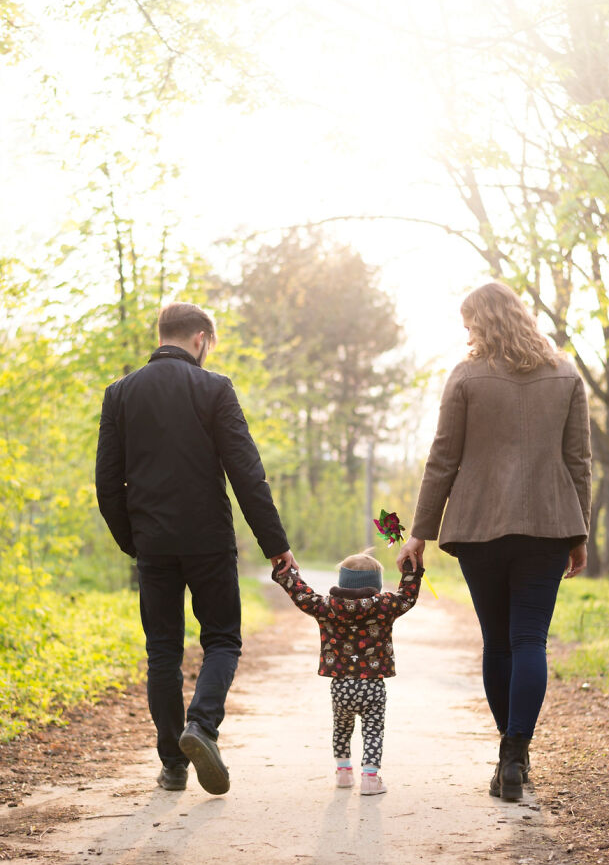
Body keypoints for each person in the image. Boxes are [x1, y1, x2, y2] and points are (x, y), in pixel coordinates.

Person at [397, 281, 591, 803]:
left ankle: (510, 753)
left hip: (480, 527)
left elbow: (443, 458)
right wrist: (581, 531)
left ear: (484, 321)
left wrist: (420, 533)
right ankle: (515, 754)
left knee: (498, 643)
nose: (466, 334)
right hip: (549, 526)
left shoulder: (466, 377)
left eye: (469, 324)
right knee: (530, 641)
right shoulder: (566, 372)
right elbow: (578, 462)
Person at [95, 301, 296, 795]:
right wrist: (276, 547)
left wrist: (134, 540)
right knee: (222, 639)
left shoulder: (119, 394)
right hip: (208, 540)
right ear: (202, 339)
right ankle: (201, 726)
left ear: (162, 334)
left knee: (161, 650)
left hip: (154, 545)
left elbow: (106, 483)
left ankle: (172, 765)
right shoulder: (214, 388)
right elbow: (248, 474)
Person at [272, 551, 423, 794]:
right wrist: (411, 568)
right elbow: (407, 596)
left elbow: (302, 595)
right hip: (373, 685)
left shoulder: (326, 606)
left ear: (343, 581)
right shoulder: (384, 606)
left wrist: (286, 571)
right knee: (373, 730)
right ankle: (370, 779)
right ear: (376, 584)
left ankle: (343, 773)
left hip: (341, 686)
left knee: (342, 728)